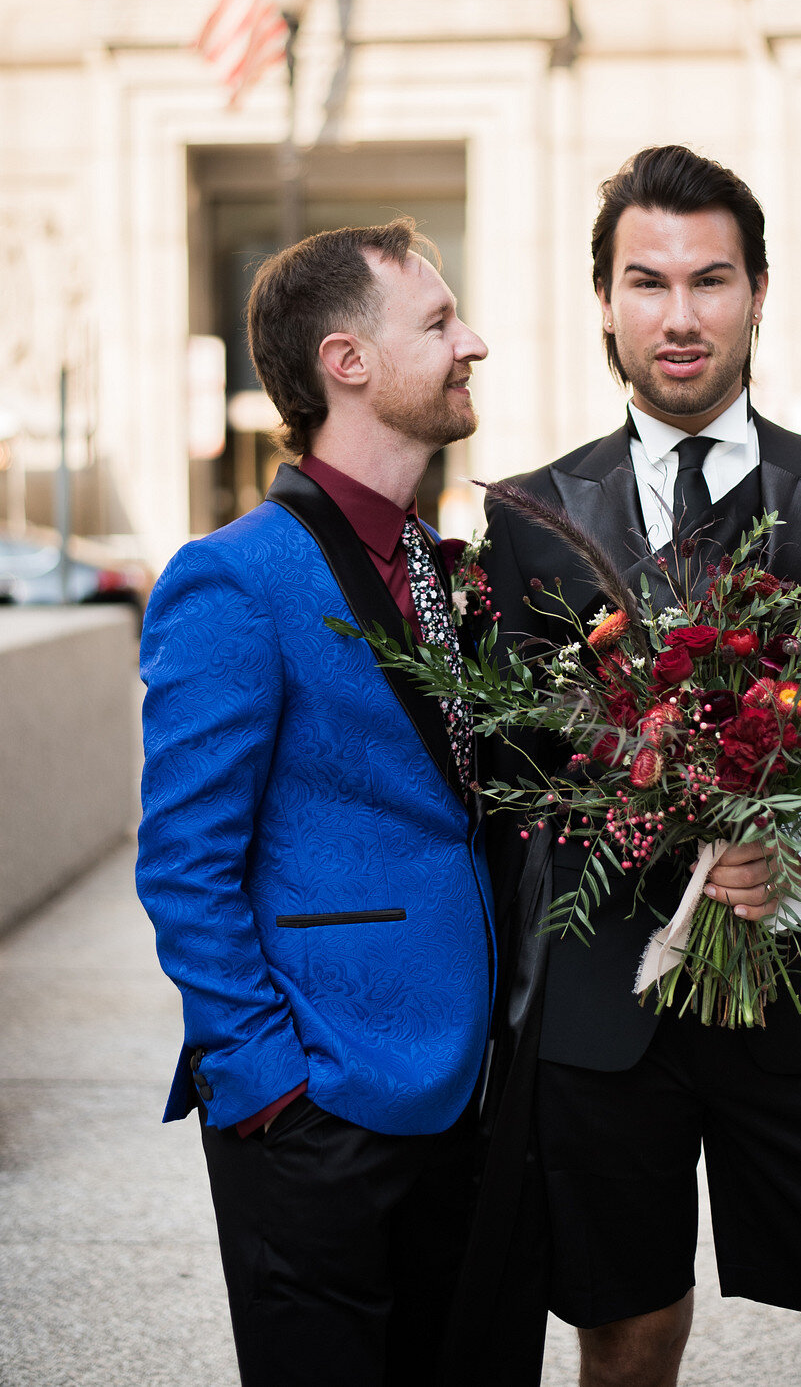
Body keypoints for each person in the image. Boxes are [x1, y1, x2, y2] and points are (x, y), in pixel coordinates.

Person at [482, 146, 801, 1387]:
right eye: (645, 280)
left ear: (759, 291)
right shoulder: (526, 516)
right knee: (630, 1346)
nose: (678, 314)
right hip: (607, 1022)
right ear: (603, 299)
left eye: (710, 279)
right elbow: (509, 767)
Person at [137, 221, 492, 1387]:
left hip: (472, 1108)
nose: (470, 343)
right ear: (348, 361)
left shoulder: (445, 569)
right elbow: (184, 859)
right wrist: (266, 1088)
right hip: (315, 1112)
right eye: (438, 324)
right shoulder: (231, 575)